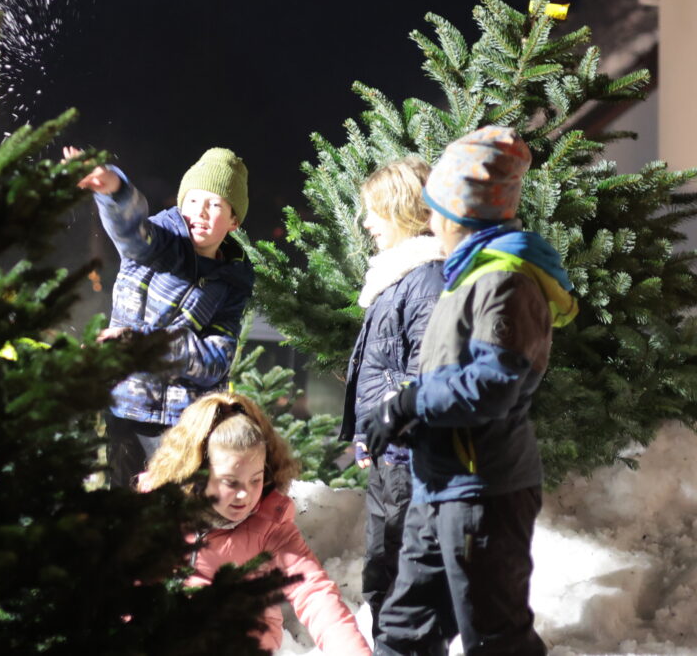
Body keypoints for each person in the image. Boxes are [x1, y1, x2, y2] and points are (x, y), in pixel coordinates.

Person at [364, 127, 579, 655]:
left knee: (495, 638)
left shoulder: (505, 281)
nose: (430, 218)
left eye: (436, 207)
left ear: (457, 214)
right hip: (439, 484)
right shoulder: (467, 276)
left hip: (483, 491)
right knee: (404, 630)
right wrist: (408, 413)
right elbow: (450, 374)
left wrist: (408, 402)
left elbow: (492, 385)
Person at [63, 145, 255, 488]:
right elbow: (128, 229)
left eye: (215, 204)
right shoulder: (156, 243)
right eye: (193, 200)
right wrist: (114, 190)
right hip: (128, 403)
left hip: (185, 422)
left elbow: (217, 359)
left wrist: (149, 345)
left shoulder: (232, 280)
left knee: (176, 507)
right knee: (126, 501)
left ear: (233, 221)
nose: (201, 212)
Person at [142, 392, 372, 656]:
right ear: (197, 472)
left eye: (256, 479)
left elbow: (315, 595)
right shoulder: (160, 515)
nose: (245, 495)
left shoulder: (271, 524)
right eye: (231, 482)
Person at [338, 156, 445, 640]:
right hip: (390, 455)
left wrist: (389, 429)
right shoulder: (395, 279)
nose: (366, 223)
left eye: (374, 211)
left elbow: (429, 374)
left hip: (410, 459)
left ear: (404, 209)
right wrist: (369, 433)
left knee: (406, 583)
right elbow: (383, 370)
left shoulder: (426, 281)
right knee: (383, 575)